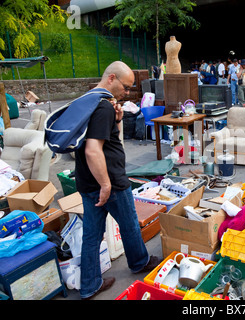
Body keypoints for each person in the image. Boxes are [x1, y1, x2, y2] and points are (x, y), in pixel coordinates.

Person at [75, 61, 160, 300]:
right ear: (111, 78)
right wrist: (105, 185)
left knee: (91, 234)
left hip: (87, 181)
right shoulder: (102, 107)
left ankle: (89, 284)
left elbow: (104, 140)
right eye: (126, 86)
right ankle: (139, 261)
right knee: (130, 224)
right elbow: (93, 150)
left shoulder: (89, 99)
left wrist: (118, 121)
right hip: (108, 181)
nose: (128, 92)